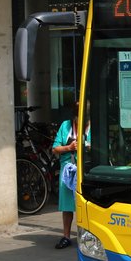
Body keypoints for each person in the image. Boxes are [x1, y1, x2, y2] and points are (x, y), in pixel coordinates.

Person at [52, 102, 82, 249]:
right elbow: (55, 148)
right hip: (68, 171)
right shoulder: (65, 126)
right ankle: (66, 236)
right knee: (67, 205)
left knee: (85, 205)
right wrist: (68, 148)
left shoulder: (94, 126)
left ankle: (85, 236)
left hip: (84, 170)